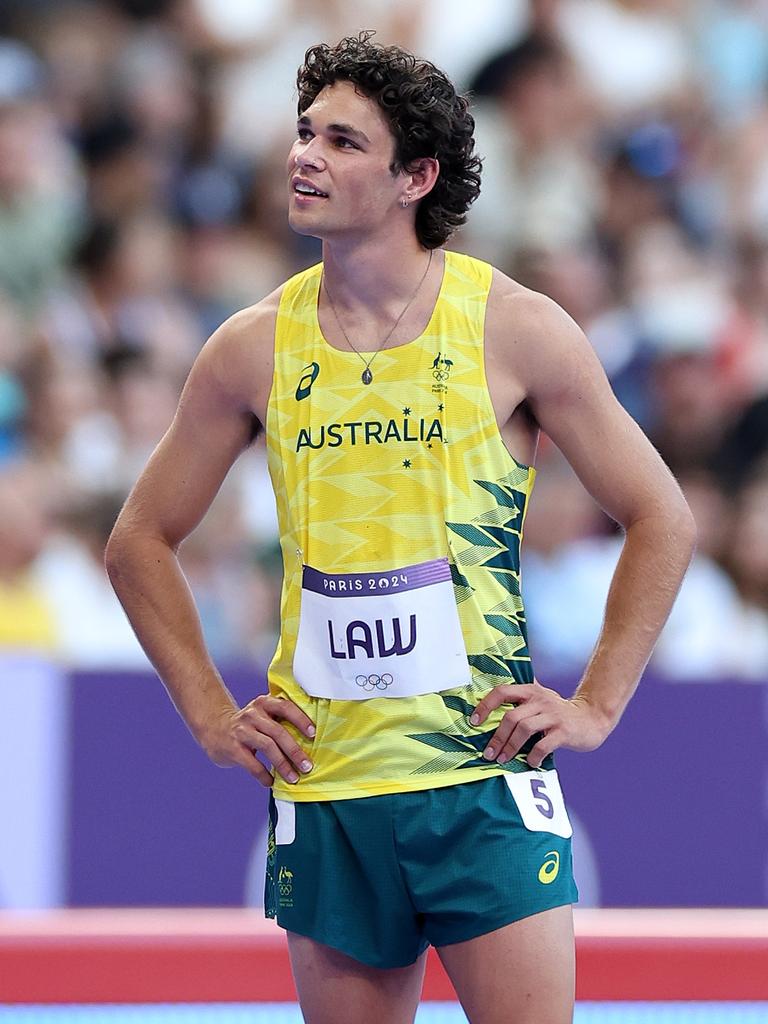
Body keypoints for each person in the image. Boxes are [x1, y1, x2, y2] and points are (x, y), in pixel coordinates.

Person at [105, 31, 696, 1024]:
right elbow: (136, 542)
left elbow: (661, 517)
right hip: (329, 783)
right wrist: (211, 714)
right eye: (303, 133)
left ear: (415, 176)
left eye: (342, 141)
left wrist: (594, 706)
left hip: (479, 777)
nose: (304, 155)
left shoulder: (514, 329)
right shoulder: (249, 350)